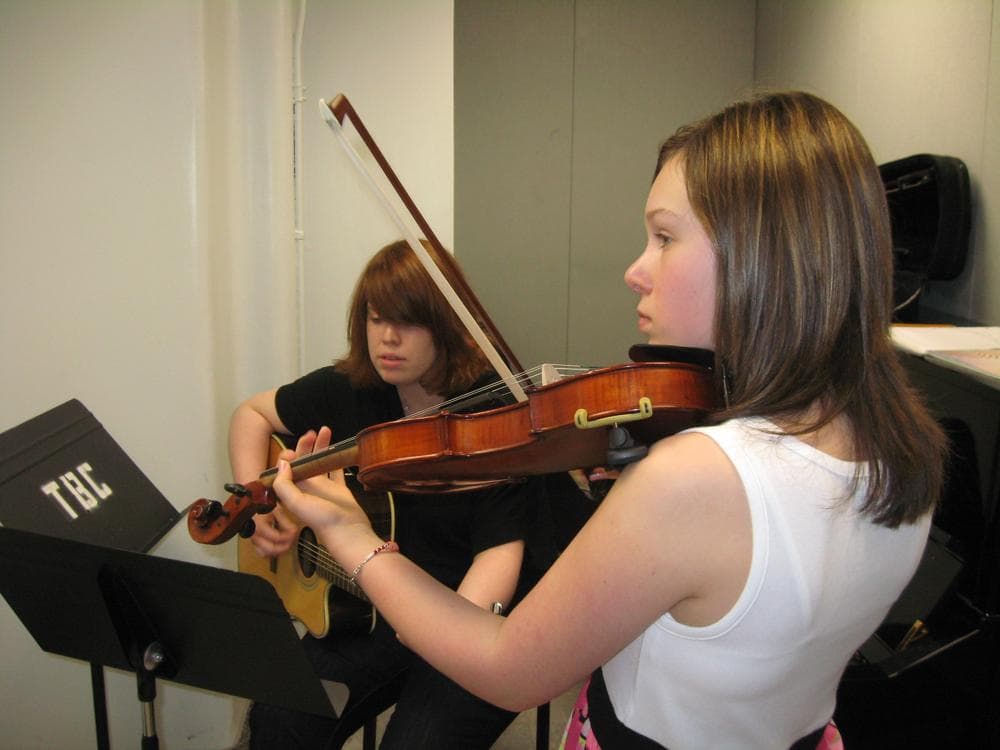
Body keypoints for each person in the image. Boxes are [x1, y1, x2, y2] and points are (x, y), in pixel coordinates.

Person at [266, 91, 949, 749]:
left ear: (762, 255)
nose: (635, 270)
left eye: (663, 237)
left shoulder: (696, 479)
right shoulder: (901, 444)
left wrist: (352, 538)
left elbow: (507, 667)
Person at [230, 239, 538, 748]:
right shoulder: (353, 387)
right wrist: (255, 499)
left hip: (463, 614)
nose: (388, 339)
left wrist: (436, 634)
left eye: (409, 321)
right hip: (366, 607)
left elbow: (500, 556)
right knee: (281, 717)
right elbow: (251, 414)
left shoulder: (494, 416)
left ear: (447, 326)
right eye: (376, 319)